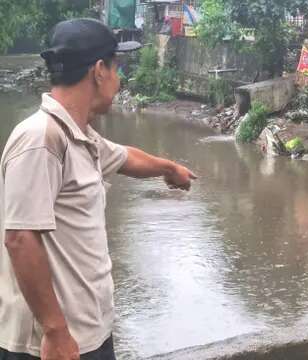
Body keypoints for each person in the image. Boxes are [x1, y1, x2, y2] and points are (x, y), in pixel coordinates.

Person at [0, 19, 197, 360]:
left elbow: (126, 158)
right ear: (99, 71)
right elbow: (20, 238)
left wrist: (169, 168)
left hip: (88, 334)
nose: (120, 80)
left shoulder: (80, 137)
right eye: (117, 67)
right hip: (51, 347)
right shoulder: (40, 139)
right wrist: (55, 332)